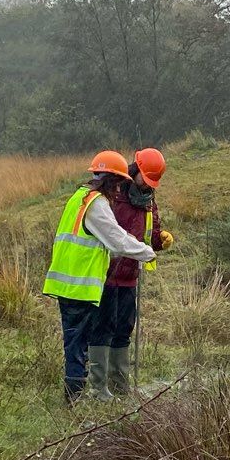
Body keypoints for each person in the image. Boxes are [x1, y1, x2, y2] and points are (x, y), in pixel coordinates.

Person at [41, 151, 155, 401]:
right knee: (78, 346)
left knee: (75, 344)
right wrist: (145, 252)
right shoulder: (97, 204)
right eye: (117, 183)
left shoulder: (79, 197)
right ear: (109, 179)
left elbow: (101, 242)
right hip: (79, 286)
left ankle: (77, 397)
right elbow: (116, 239)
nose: (119, 189)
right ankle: (76, 401)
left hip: (68, 284)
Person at [89, 147, 175, 397]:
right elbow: (109, 233)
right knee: (103, 327)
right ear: (135, 170)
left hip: (130, 276)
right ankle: (98, 386)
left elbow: (150, 233)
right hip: (106, 273)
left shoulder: (149, 200)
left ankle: (120, 385)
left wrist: (160, 240)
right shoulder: (113, 194)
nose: (148, 186)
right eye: (145, 180)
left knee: (124, 328)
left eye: (152, 183)